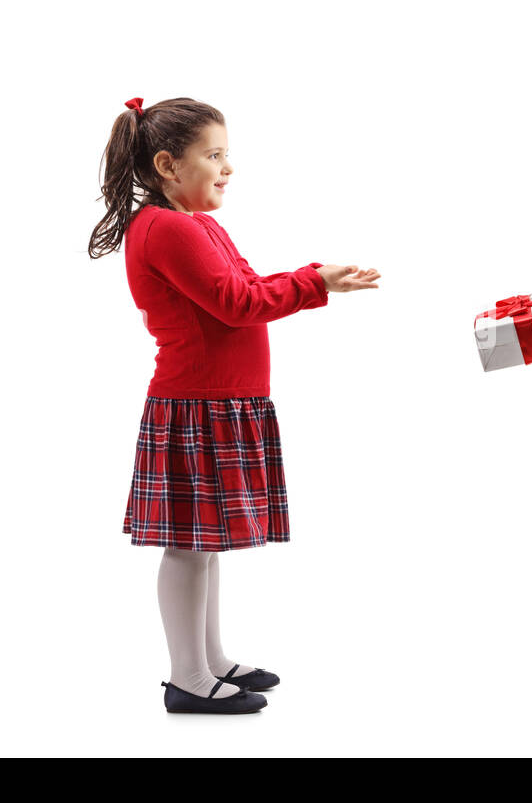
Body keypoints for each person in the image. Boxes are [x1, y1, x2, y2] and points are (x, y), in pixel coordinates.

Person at [90, 96, 380, 714]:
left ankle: (209, 661)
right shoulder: (165, 228)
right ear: (168, 164)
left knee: (204, 542)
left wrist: (313, 276)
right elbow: (235, 304)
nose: (227, 168)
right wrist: (317, 282)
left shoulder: (196, 223)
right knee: (188, 546)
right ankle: (187, 678)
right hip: (197, 405)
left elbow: (246, 286)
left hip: (221, 402)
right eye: (214, 155)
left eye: (227, 155)